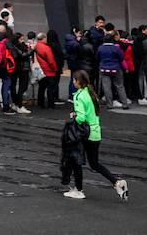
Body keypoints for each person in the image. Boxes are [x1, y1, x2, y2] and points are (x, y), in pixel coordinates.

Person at [61, 70, 127, 200]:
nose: (73, 82)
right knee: (94, 164)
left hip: (85, 133)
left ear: (78, 82)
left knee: (76, 161)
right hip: (96, 133)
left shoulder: (79, 95)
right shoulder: (91, 93)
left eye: (74, 80)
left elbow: (81, 117)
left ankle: (79, 190)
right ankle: (116, 183)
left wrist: (74, 117)